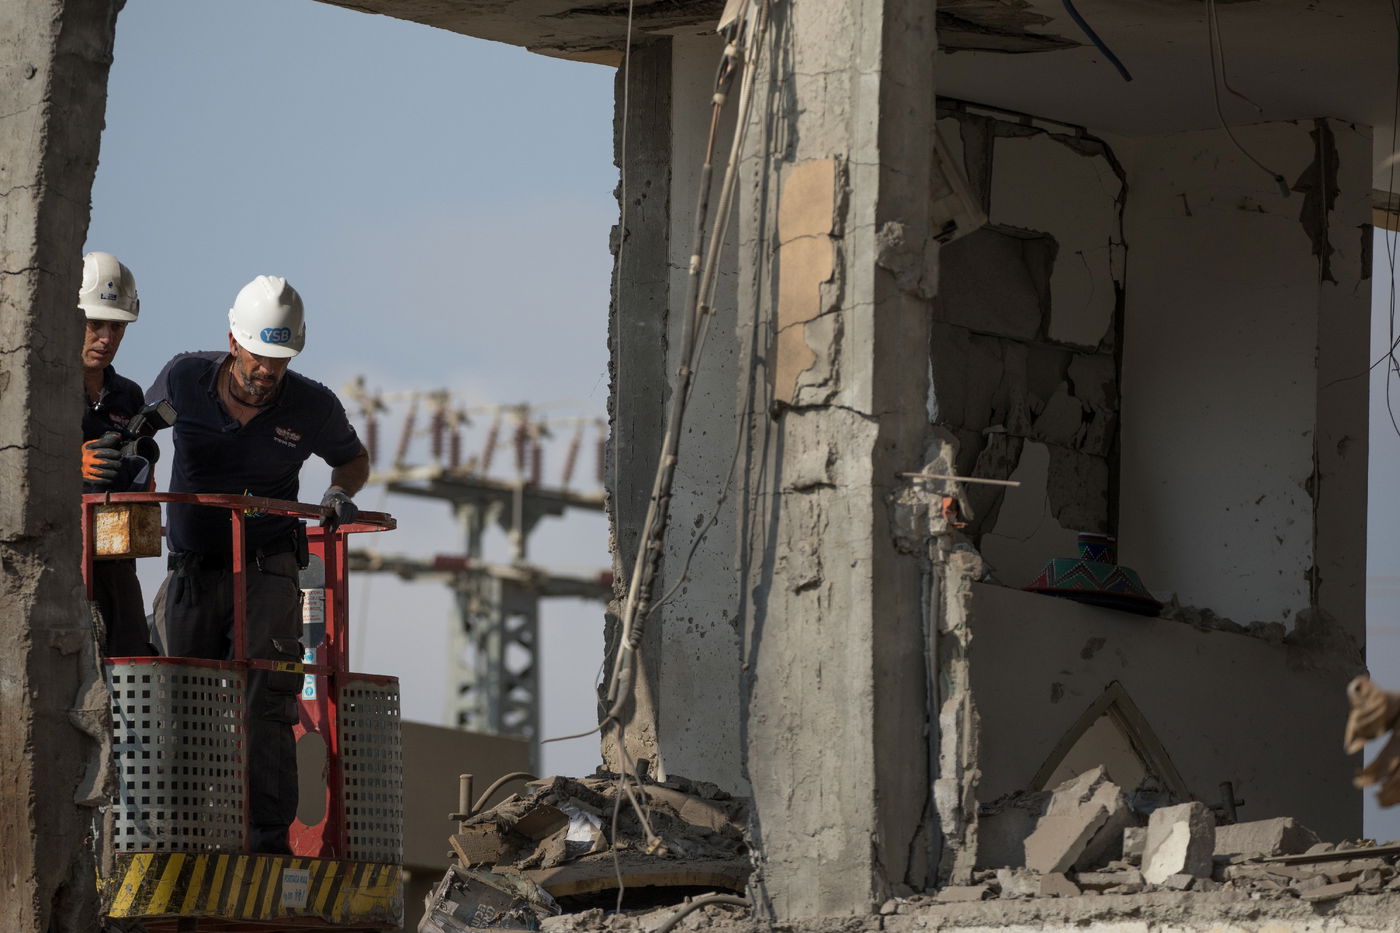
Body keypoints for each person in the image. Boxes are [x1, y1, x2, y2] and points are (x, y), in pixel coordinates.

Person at [147, 274, 369, 854]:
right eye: (258, 358)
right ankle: (180, 836)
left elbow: (352, 460)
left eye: (280, 360)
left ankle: (266, 842)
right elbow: (138, 434)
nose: (267, 371)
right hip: (193, 569)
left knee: (266, 701)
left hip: (269, 569)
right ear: (233, 342)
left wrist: (338, 491)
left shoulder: (313, 405)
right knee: (179, 698)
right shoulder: (185, 378)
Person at [79, 250, 156, 656]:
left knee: (130, 654)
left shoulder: (128, 394)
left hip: (115, 553)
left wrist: (142, 476)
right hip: (58, 552)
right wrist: (72, 463)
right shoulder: (37, 385)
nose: (106, 338)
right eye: (95, 324)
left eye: (117, 326)